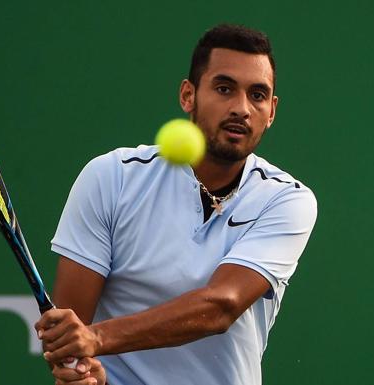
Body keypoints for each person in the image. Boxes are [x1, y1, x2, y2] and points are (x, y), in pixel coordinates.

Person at [36, 24, 317, 385]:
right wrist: (81, 369)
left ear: (272, 110)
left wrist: (97, 339)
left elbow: (222, 305)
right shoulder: (112, 178)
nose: (242, 108)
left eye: (258, 95)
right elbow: (71, 333)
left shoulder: (287, 200)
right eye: (224, 88)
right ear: (188, 95)